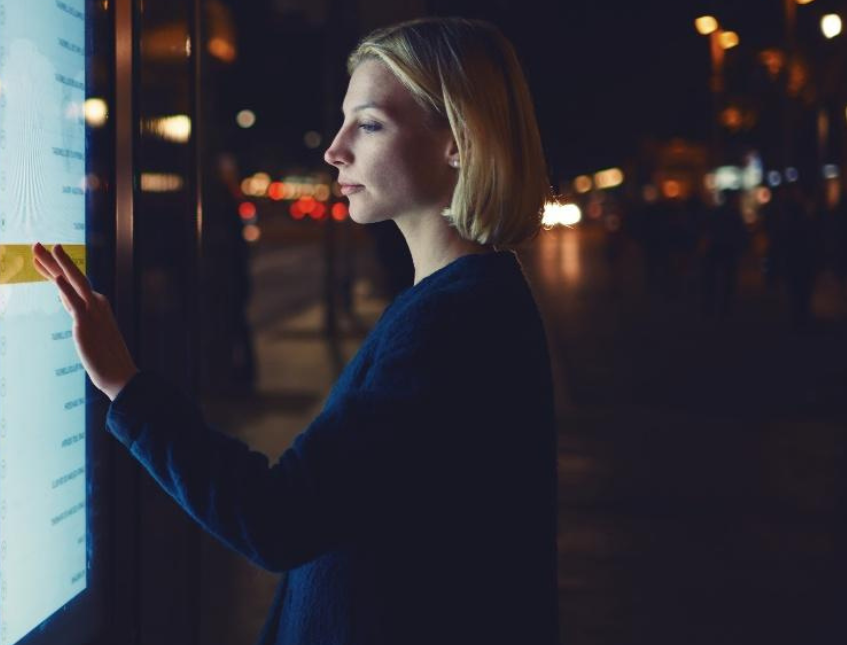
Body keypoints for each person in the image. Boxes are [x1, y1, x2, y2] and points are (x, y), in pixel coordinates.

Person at [32, 17, 556, 645]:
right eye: (344, 121)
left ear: (460, 143)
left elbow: (278, 519)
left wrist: (125, 384)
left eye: (369, 124)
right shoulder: (463, 301)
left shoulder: (452, 323)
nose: (335, 149)